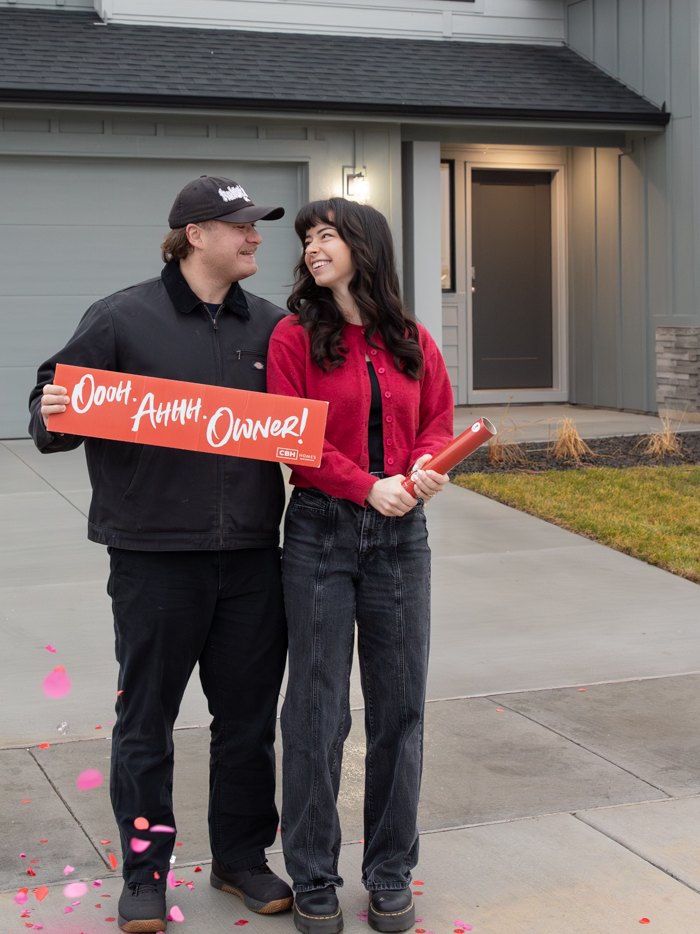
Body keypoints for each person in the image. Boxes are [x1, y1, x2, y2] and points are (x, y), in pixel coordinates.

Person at [27, 175, 296, 934]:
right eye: (240, 225)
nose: (255, 237)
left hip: (249, 557)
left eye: (256, 225)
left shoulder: (273, 329)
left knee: (247, 720)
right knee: (146, 720)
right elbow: (51, 408)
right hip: (153, 559)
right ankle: (145, 872)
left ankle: (242, 857)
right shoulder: (122, 318)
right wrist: (52, 409)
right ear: (195, 234)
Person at [266, 198, 454, 934]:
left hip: (403, 536)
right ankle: (313, 873)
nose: (314, 247)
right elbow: (293, 437)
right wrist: (365, 485)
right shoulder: (293, 338)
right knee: (316, 709)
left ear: (363, 247)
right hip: (320, 532)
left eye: (327, 235)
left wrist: (422, 468)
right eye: (307, 238)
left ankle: (389, 871)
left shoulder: (409, 337)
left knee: (400, 706)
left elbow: (436, 415)